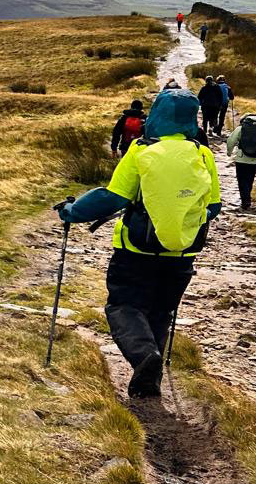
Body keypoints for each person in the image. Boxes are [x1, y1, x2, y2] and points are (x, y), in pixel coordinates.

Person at [56, 89, 222, 397]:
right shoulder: (203, 154)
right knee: (161, 311)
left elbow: (112, 197)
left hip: (136, 250)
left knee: (124, 305)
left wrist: (72, 211)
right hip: (182, 254)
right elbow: (213, 206)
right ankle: (148, 381)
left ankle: (145, 356)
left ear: (157, 114)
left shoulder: (140, 150)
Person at [226, 114, 256, 210]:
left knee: (242, 180)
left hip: (242, 159)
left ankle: (245, 202)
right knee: (249, 180)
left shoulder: (240, 128)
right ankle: (247, 199)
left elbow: (231, 141)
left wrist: (229, 152)